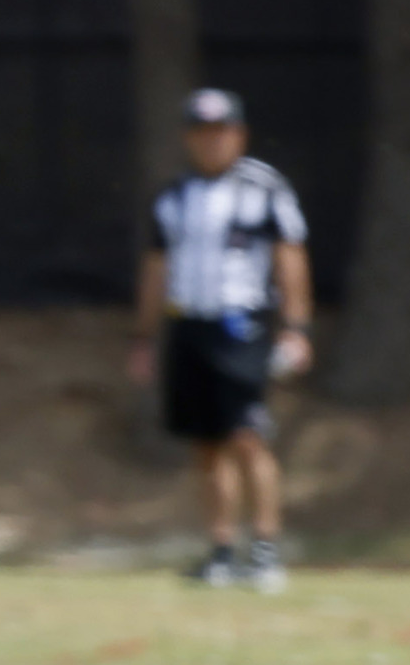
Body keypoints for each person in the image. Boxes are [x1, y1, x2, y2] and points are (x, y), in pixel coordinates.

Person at [134, 88, 312, 593]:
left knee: (247, 436)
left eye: (221, 132)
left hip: (242, 326)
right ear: (189, 139)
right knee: (206, 444)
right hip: (189, 323)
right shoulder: (174, 197)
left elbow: (290, 256)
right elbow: (155, 267)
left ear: (239, 135)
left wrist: (297, 326)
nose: (212, 143)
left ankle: (265, 549)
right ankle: (220, 550)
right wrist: (144, 335)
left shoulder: (264, 188)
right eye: (202, 133)